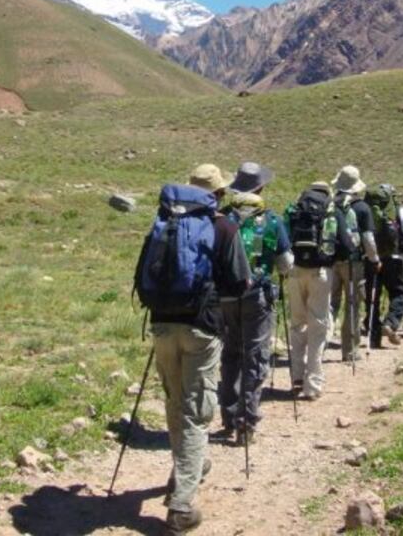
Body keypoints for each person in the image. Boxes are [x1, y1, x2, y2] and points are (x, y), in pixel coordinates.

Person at [137, 163, 251, 535]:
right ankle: (182, 506)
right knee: (197, 412)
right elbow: (237, 284)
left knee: (175, 403)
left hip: (161, 323)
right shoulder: (224, 227)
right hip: (202, 329)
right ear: (219, 194)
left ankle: (188, 467)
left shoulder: (164, 223)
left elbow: (142, 275)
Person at [218, 162, 293, 445]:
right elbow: (285, 264)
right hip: (258, 296)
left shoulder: (222, 217)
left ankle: (227, 413)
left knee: (231, 353)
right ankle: (246, 421)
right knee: (256, 356)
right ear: (260, 188)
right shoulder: (272, 220)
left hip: (225, 297)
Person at [284, 181, 339, 400]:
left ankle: (296, 377)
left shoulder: (294, 208)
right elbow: (341, 241)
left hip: (295, 269)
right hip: (320, 271)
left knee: (297, 324)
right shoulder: (330, 209)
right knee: (318, 326)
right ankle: (313, 383)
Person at [330, 166, 380, 362]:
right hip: (355, 263)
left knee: (331, 304)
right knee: (352, 305)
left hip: (331, 260)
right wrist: (375, 259)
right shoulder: (362, 207)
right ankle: (349, 351)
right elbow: (368, 239)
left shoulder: (330, 204)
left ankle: (321, 341)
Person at [364, 184, 403, 348]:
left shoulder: (365, 210)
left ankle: (373, 337)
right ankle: (390, 323)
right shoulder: (397, 210)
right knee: (399, 292)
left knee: (372, 298)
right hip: (393, 257)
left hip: (370, 258)